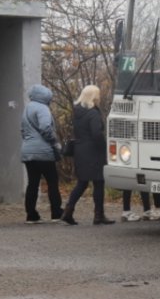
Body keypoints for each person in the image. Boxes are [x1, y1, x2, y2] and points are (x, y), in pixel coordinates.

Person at [60, 85, 115, 225]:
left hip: (80, 151)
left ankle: (68, 211)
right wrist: (104, 147)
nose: (100, 97)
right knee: (98, 182)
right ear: (94, 97)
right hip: (93, 152)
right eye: (98, 95)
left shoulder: (77, 112)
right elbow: (96, 134)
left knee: (82, 182)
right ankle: (98, 215)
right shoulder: (93, 113)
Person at [20, 84, 64, 224]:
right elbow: (45, 127)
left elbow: (22, 130)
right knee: (52, 182)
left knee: (32, 183)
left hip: (28, 151)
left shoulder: (27, 108)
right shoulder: (43, 108)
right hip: (43, 152)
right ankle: (56, 213)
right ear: (46, 97)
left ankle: (31, 215)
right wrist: (54, 141)